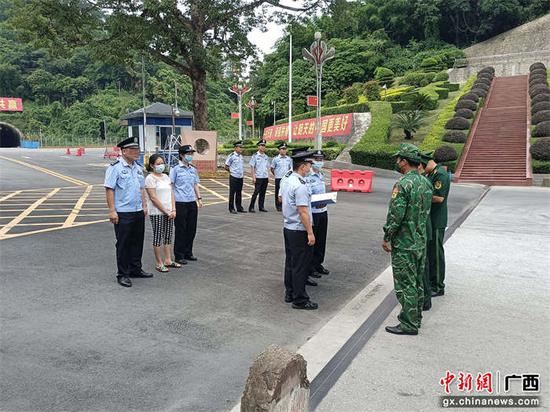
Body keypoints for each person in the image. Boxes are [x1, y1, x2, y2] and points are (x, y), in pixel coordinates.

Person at [382, 143, 432, 335]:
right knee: (417, 281)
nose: (397, 162)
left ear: (404, 161)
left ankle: (408, 324)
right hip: (420, 241)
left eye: (398, 159)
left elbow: (396, 215)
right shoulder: (425, 182)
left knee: (405, 284)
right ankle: (415, 317)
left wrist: (387, 236)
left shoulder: (403, 184)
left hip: (405, 243)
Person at [104, 137, 153, 288]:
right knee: (123, 244)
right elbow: (109, 189)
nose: (137, 152)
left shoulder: (138, 168)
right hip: (123, 212)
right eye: (134, 150)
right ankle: (123, 274)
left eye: (137, 150)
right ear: (124, 151)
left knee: (137, 242)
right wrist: (112, 211)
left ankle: (135, 269)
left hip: (138, 211)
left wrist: (144, 206)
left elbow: (141, 188)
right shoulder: (115, 168)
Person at [281, 149, 318, 310]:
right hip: (299, 229)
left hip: (288, 227)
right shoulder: (300, 185)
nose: (310, 167)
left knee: (291, 262)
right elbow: (303, 211)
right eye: (309, 164)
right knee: (300, 265)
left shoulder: (288, 180)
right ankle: (300, 299)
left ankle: (290, 292)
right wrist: (310, 232)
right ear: (302, 166)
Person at [145, 154, 181, 273]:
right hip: (157, 212)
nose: (161, 165)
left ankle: (168, 260)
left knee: (168, 236)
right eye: (158, 163)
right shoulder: (150, 178)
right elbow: (153, 198)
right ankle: (159, 263)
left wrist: (173, 209)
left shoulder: (166, 177)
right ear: (152, 165)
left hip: (169, 212)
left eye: (162, 163)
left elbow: (171, 193)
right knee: (158, 237)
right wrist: (165, 211)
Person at [170, 145, 203, 264]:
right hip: (180, 203)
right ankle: (179, 255)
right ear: (181, 155)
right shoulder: (175, 169)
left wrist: (199, 198)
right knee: (181, 229)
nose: (190, 156)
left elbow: (195, 184)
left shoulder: (193, 170)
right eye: (188, 154)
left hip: (191, 202)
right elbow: (171, 187)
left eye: (191, 154)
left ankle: (188, 252)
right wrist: (172, 205)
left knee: (191, 229)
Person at [424, 154, 451, 297]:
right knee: (431, 254)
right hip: (431, 220)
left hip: (437, 220)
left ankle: (439, 286)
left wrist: (420, 195)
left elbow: (439, 197)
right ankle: (432, 282)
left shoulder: (440, 175)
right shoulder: (433, 173)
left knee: (436, 254)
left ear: (429, 162)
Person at [306, 150, 330, 279]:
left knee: (322, 239)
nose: (319, 162)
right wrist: (316, 202)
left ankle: (318, 263)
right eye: (317, 159)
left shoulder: (321, 175)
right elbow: (306, 195)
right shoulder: (307, 176)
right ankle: (310, 267)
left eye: (321, 159)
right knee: (313, 241)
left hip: (323, 211)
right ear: (311, 160)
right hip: (313, 212)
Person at [418, 152, 435, 311]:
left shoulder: (417, 183)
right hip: (425, 229)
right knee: (424, 265)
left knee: (421, 267)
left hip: (418, 231)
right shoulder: (427, 182)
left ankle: (424, 299)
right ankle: (426, 298)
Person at [224, 141, 246, 214]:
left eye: (241, 147)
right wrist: (232, 172)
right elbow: (226, 166)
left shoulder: (241, 156)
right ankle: (231, 208)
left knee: (239, 193)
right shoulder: (231, 156)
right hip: (234, 177)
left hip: (240, 177)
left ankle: (239, 207)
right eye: (240, 147)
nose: (241, 149)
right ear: (235, 148)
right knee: (232, 193)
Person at [248, 139, 270, 212]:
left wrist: (268, 177)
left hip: (265, 177)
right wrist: (253, 177)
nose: (263, 147)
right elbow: (252, 167)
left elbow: (267, 167)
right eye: (261, 145)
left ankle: (261, 207)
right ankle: (251, 207)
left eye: (264, 146)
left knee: (263, 193)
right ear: (258, 146)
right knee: (256, 192)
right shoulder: (255, 156)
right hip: (258, 177)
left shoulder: (266, 156)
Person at [270, 143, 293, 212]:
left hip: (286, 179)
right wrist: (276, 174)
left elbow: (290, 169)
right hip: (279, 178)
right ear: (279, 150)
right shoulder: (276, 159)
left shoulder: (289, 159)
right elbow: (272, 168)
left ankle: (285, 205)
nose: (283, 151)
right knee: (278, 192)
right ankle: (278, 205)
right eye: (282, 149)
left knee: (286, 192)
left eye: (285, 149)